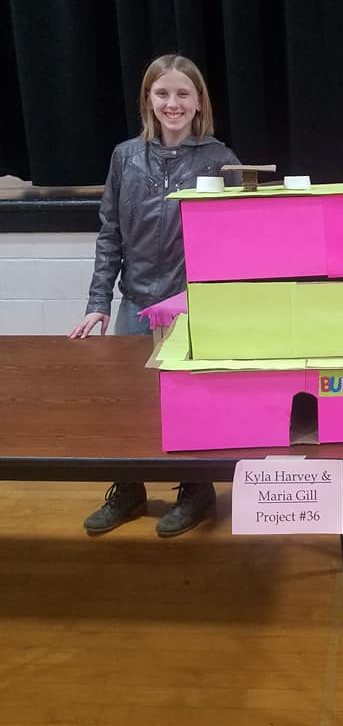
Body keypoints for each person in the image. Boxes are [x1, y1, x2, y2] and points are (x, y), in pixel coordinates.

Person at [69, 54, 240, 536]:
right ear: (148, 99)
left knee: (192, 403)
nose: (173, 102)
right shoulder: (126, 156)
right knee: (127, 402)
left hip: (192, 305)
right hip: (135, 303)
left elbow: (234, 240)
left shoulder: (220, 159)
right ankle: (128, 489)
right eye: (162, 93)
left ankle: (195, 491)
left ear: (199, 101)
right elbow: (110, 233)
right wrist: (98, 302)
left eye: (183, 93)